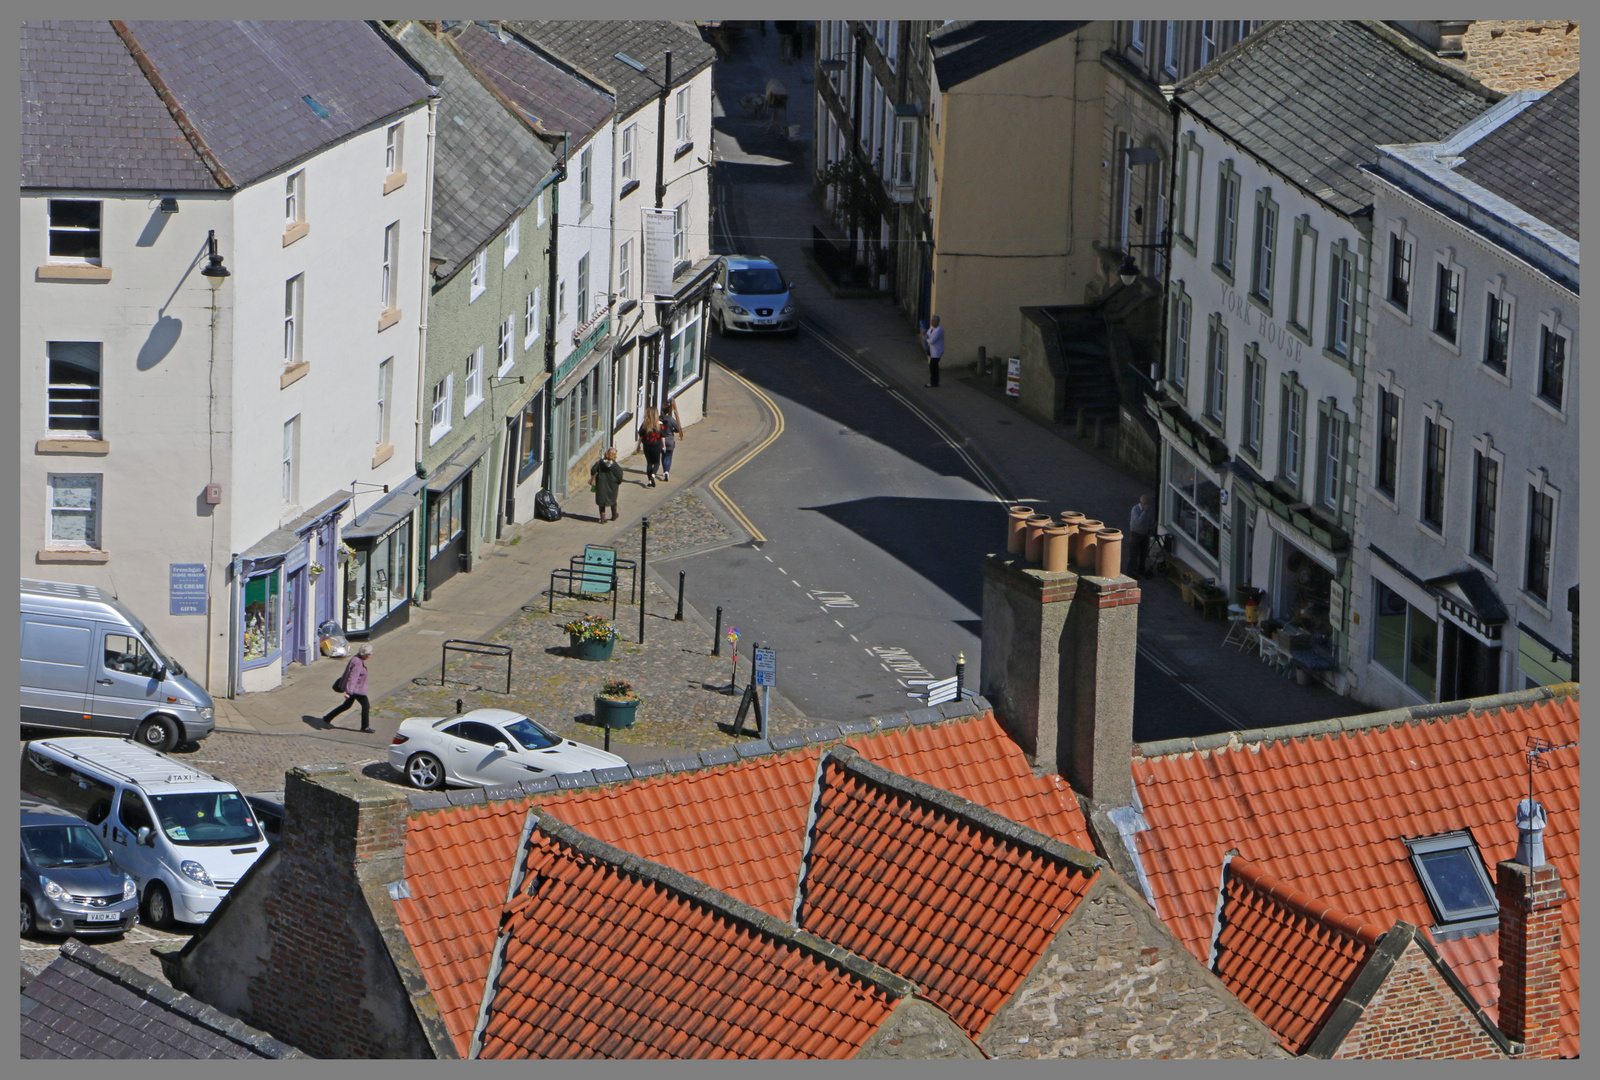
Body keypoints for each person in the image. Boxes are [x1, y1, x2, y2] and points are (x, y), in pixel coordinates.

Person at [322, 644, 372, 732]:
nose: (369, 656)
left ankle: (328, 717)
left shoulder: (356, 659)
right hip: (356, 689)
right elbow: (353, 678)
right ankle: (365, 727)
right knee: (366, 706)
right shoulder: (358, 663)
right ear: (364, 654)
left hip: (354, 689)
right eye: (368, 654)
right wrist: (349, 692)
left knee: (346, 705)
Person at [591, 447, 624, 522]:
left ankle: (603, 518)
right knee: (613, 500)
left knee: (601, 501)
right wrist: (618, 482)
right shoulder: (615, 466)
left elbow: (593, 470)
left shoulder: (600, 463)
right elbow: (619, 477)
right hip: (612, 485)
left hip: (601, 484)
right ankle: (614, 515)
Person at [1127, 495, 1155, 578]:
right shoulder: (1135, 509)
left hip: (1145, 534)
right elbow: (1139, 521)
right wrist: (1144, 512)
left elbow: (1151, 521)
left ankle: (1141, 570)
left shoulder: (1150, 510)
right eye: (1145, 504)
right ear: (1142, 503)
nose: (1147, 506)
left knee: (1143, 554)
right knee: (1134, 554)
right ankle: (1131, 572)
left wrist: (1152, 525)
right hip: (1135, 534)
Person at [637, 405, 663, 487]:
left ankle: (649, 481)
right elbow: (662, 436)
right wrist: (664, 446)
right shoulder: (659, 425)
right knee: (657, 463)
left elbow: (641, 436)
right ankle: (653, 475)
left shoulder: (645, 425)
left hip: (647, 445)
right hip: (656, 445)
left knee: (649, 463)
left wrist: (638, 445)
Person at [660, 399, 683, 481]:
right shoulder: (671, 420)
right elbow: (677, 429)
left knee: (663, 456)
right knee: (669, 457)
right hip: (669, 440)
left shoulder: (660, 419)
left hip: (661, 441)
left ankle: (664, 470)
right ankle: (667, 471)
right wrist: (672, 431)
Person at [924, 314, 944, 387]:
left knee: (932, 366)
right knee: (934, 367)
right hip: (932, 351)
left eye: (933, 320)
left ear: (937, 322)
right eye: (931, 320)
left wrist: (926, 338)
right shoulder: (931, 328)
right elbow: (927, 336)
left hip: (937, 352)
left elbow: (932, 340)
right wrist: (925, 336)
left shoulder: (939, 330)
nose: (931, 322)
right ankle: (935, 382)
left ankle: (933, 382)